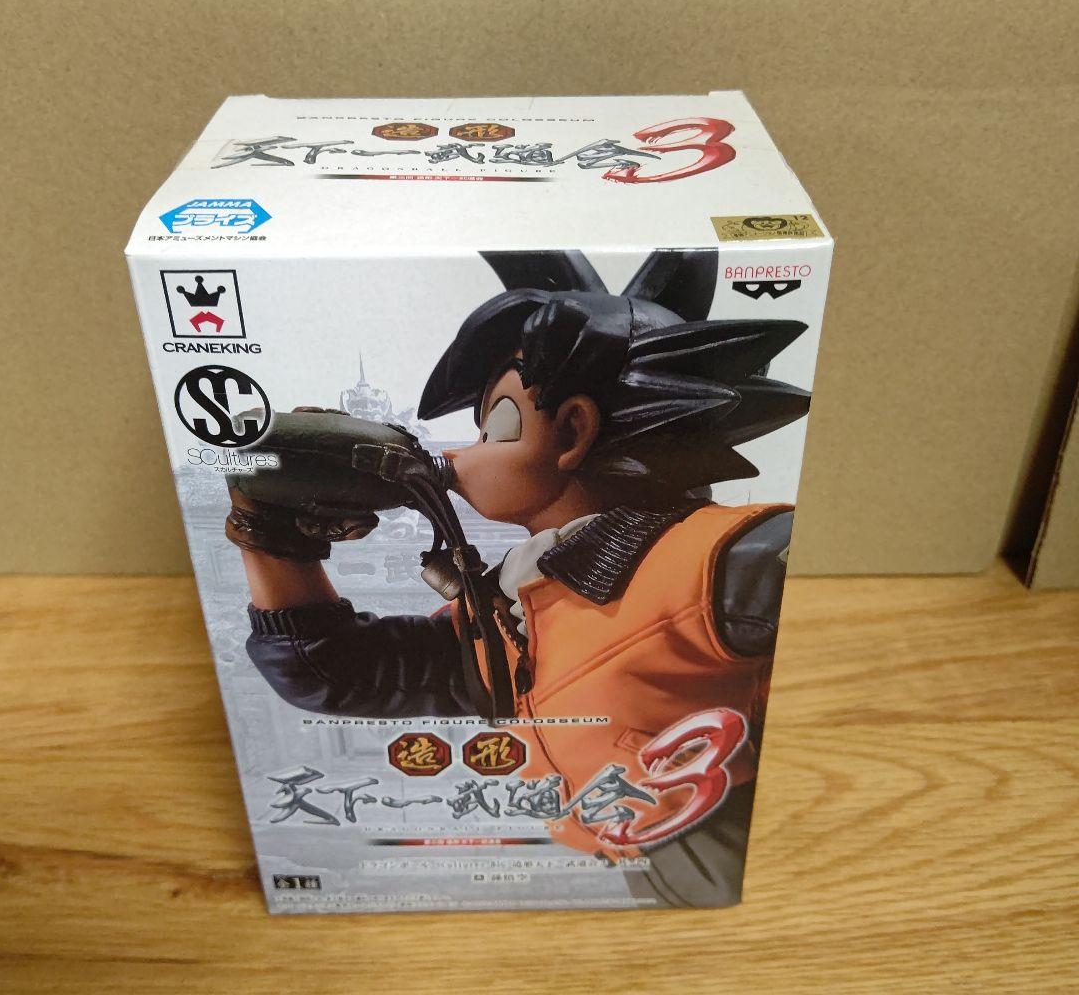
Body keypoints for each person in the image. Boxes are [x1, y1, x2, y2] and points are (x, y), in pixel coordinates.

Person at [226, 248, 810, 906]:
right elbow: (336, 674)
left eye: (496, 425)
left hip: (737, 851)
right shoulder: (515, 611)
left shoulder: (720, 558)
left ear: (573, 431)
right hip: (643, 864)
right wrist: (270, 536)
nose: (460, 455)